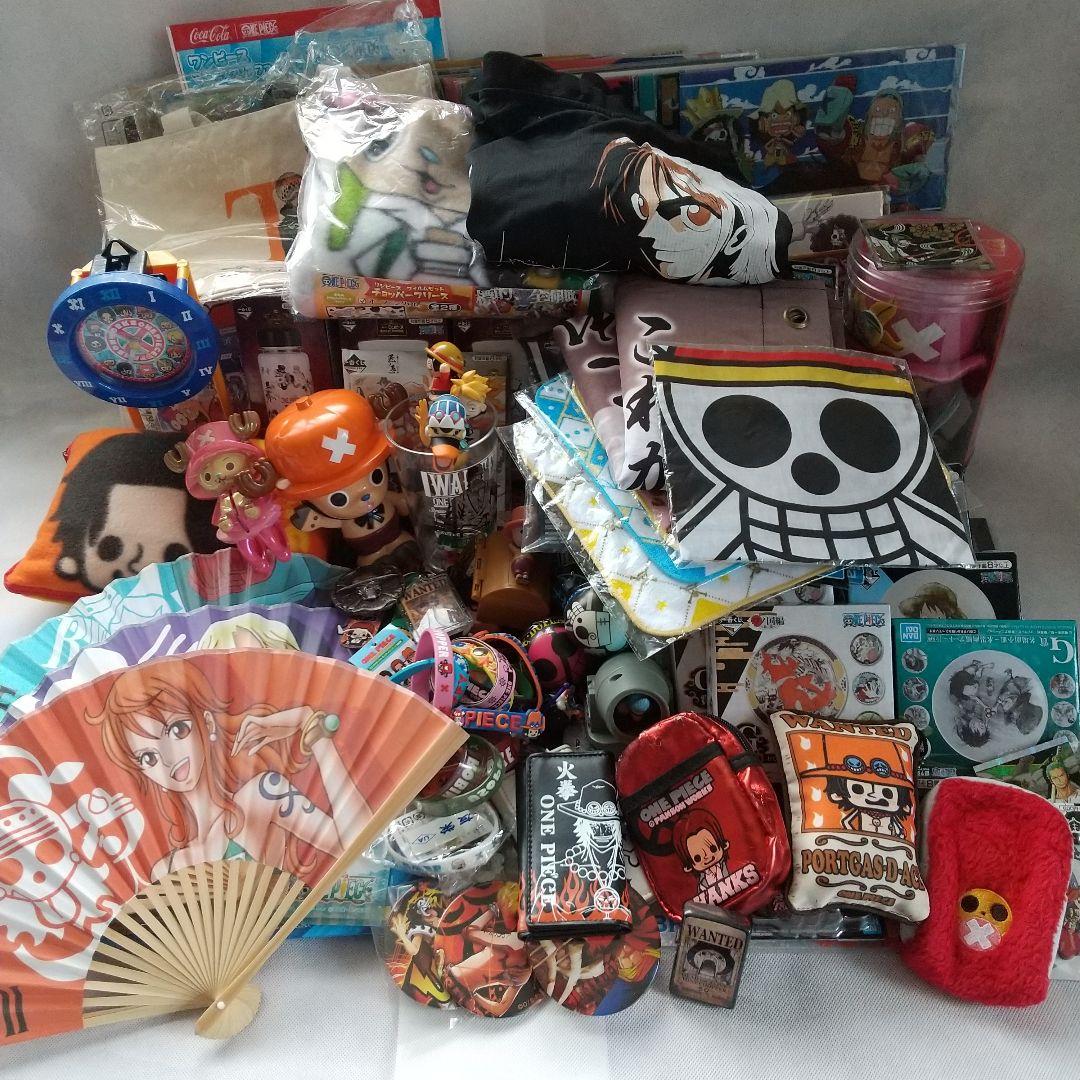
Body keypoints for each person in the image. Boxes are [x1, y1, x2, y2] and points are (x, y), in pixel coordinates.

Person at [86, 662, 370, 881]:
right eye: (148, 757)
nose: (168, 759)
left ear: (208, 724)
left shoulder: (262, 795)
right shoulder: (167, 869)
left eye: (177, 730)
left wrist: (313, 730)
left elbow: (366, 851)